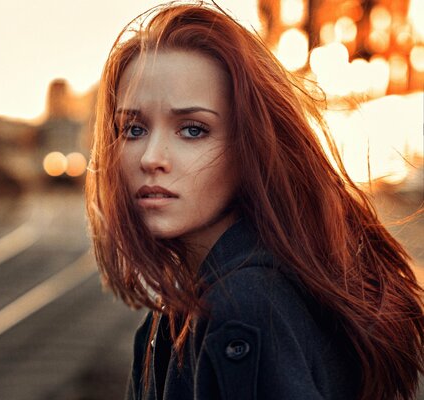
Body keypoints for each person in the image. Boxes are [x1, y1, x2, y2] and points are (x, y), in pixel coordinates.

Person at [84, 2, 424, 399]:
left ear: (251, 148)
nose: (151, 158)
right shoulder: (185, 309)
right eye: (133, 128)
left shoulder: (245, 313)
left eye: (192, 130)